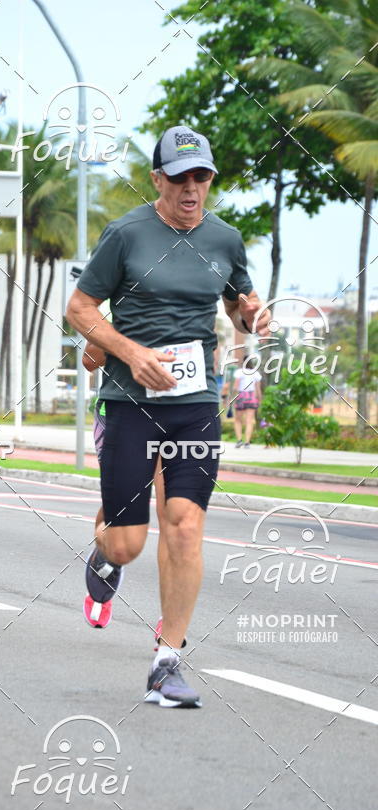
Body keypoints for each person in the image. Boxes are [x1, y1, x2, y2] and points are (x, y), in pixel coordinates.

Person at [67, 125, 269, 708]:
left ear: (210, 180)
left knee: (184, 525)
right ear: (157, 178)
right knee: (129, 543)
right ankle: (105, 550)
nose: (191, 187)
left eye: (201, 176)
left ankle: (167, 661)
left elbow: (238, 306)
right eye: (179, 177)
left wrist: (252, 318)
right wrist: (131, 353)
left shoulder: (226, 239)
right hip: (130, 404)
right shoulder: (126, 235)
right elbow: (79, 307)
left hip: (196, 406)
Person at [82, 339, 166, 643]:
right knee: (119, 504)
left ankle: (169, 620)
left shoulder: (191, 301)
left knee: (173, 513)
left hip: (178, 414)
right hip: (122, 409)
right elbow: (89, 360)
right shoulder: (125, 303)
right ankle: (107, 556)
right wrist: (126, 340)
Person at [233, 355, 262, 449]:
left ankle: (239, 440)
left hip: (241, 396)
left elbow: (235, 387)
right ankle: (247, 442)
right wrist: (260, 400)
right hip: (251, 396)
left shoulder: (239, 372)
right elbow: (258, 389)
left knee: (238, 420)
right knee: (249, 421)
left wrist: (232, 398)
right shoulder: (256, 373)